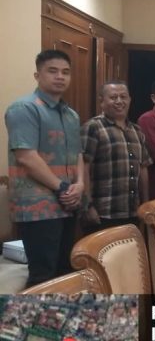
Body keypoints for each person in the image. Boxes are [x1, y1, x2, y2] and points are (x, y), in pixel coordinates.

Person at [4, 50, 84, 287]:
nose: (60, 76)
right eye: (53, 71)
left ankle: (61, 312)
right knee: (43, 276)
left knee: (65, 271)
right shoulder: (24, 108)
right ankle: (37, 314)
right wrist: (62, 187)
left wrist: (80, 185)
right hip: (38, 208)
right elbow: (26, 157)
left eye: (65, 72)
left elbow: (78, 154)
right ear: (37, 75)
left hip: (68, 203)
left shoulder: (71, 115)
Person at [80, 81, 152, 233]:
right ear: (102, 101)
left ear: (130, 100)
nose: (119, 101)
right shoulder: (93, 127)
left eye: (123, 97)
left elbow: (143, 168)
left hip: (132, 212)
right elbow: (83, 167)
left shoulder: (137, 131)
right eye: (113, 97)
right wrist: (87, 206)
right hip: (103, 214)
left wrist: (145, 204)